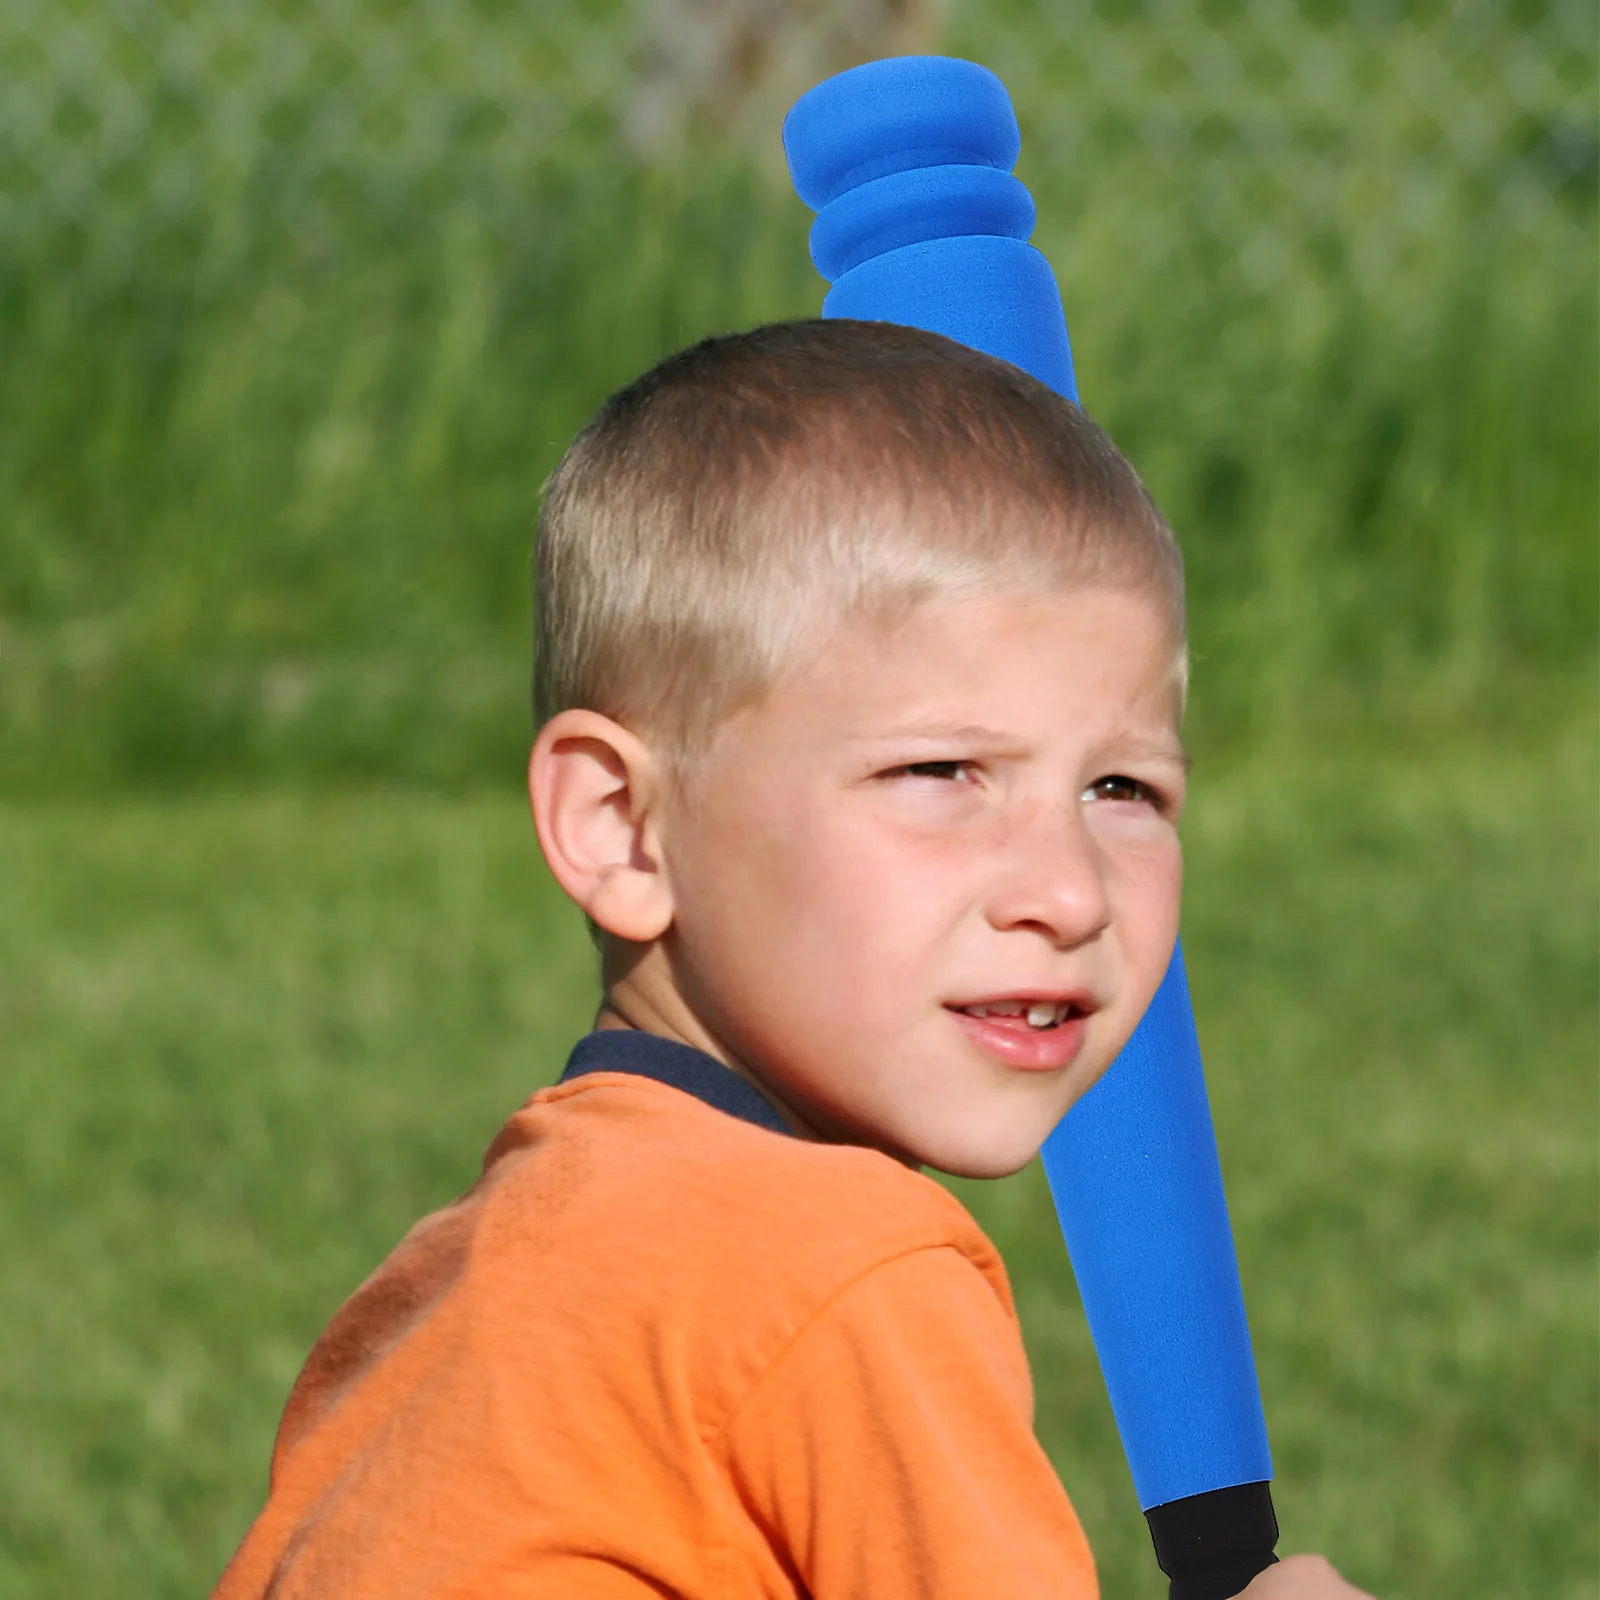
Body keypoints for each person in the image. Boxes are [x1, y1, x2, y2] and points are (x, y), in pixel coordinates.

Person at [214, 320, 1374, 1598]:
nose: (1067, 891)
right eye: (941, 772)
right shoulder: (844, 1266)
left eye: (1123, 787)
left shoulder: (482, 1272)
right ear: (621, 825)